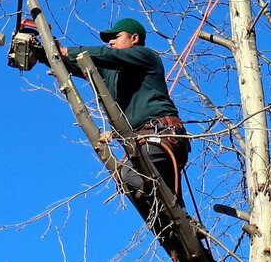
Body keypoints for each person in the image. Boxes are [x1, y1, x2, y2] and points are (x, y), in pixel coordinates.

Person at [53, 17, 190, 202]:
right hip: (145, 143)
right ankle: (182, 227)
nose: (110, 42)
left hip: (162, 135)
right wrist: (48, 52)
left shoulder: (145, 56)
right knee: (166, 215)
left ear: (134, 38)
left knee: (129, 177)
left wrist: (66, 50)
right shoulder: (111, 72)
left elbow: (108, 56)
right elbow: (77, 64)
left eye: (116, 37)